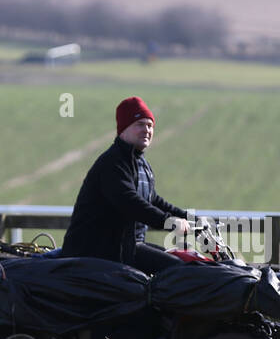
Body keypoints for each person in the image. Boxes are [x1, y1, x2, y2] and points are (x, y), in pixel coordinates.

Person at [61, 96, 191, 274]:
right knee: (179, 271)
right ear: (123, 129)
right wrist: (169, 221)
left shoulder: (140, 163)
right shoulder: (113, 162)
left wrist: (191, 218)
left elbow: (153, 200)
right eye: (140, 124)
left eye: (150, 125)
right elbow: (130, 202)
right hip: (99, 253)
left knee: (186, 262)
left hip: (129, 246)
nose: (146, 130)